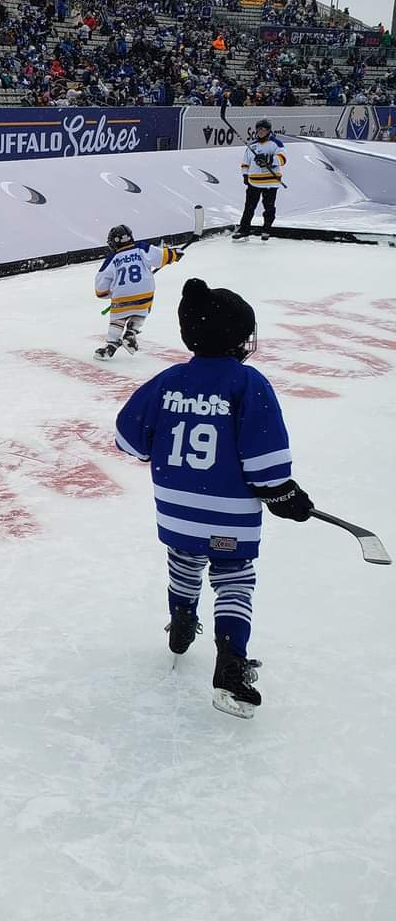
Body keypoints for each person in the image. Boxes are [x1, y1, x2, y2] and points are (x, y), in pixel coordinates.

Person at [114, 278, 313, 718]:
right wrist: (283, 493)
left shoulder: (169, 380)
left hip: (178, 513)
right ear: (240, 338)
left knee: (184, 565)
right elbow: (264, 456)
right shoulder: (246, 383)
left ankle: (181, 620)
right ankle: (231, 663)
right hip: (229, 516)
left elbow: (128, 438)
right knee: (234, 580)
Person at [93, 225, 181, 359]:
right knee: (143, 308)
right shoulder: (141, 248)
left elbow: (100, 289)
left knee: (118, 318)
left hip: (121, 296)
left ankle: (110, 346)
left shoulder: (111, 258)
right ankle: (131, 332)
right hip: (144, 292)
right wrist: (174, 254)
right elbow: (162, 257)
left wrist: (113, 293)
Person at [233, 119, 287, 241]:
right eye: (259, 129)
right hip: (254, 182)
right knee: (249, 208)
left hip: (270, 182)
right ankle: (244, 230)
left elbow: (282, 159)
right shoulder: (252, 146)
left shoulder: (276, 144)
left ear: (268, 131)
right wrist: (245, 175)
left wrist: (269, 160)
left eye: (264, 129)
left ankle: (266, 229)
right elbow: (245, 162)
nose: (261, 132)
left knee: (268, 208)